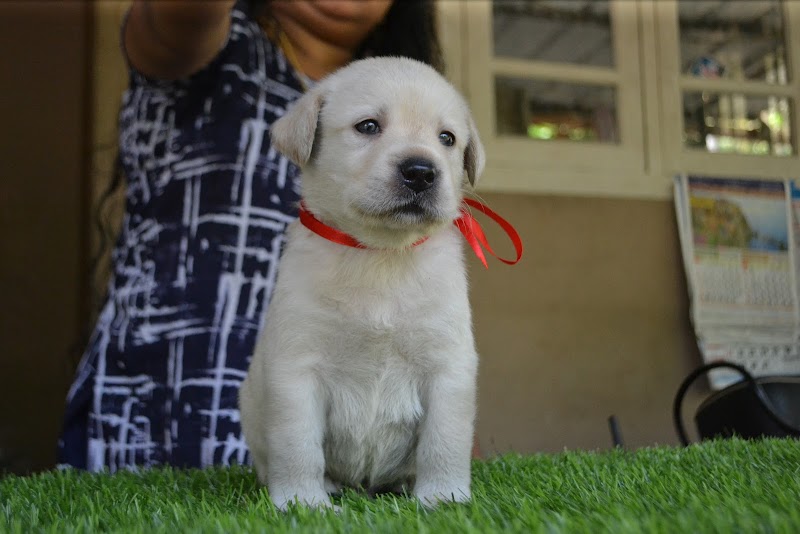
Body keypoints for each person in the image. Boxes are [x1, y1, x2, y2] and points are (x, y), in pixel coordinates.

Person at [58, 0, 444, 471]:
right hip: (161, 416)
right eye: (367, 127)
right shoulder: (211, 39)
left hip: (341, 451)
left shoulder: (412, 98)